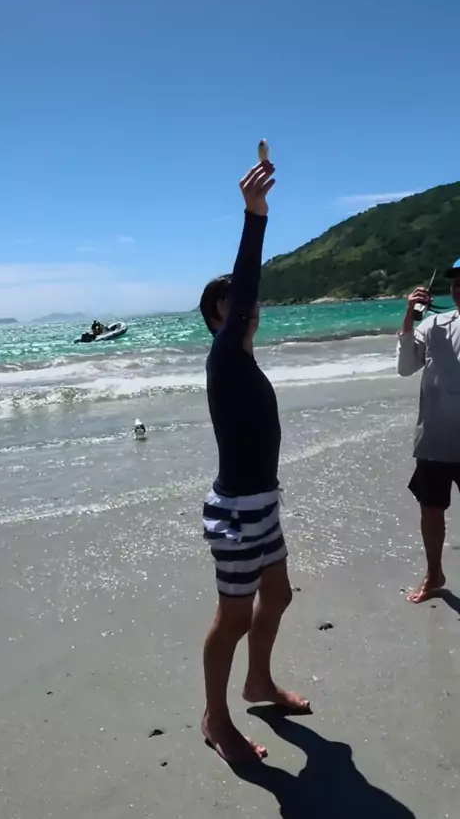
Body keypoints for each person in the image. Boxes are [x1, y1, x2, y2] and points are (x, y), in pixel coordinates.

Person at [199, 158, 310, 764]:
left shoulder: (243, 360)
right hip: (237, 513)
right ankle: (215, 719)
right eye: (235, 302)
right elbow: (244, 284)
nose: (249, 306)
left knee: (280, 594)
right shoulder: (224, 356)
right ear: (220, 314)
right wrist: (255, 217)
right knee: (233, 617)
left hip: (262, 503)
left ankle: (257, 681)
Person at [397, 259, 460, 603]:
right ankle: (434, 573)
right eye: (456, 283)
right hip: (435, 436)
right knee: (431, 508)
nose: (459, 289)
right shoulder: (435, 324)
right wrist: (410, 317)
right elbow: (406, 366)